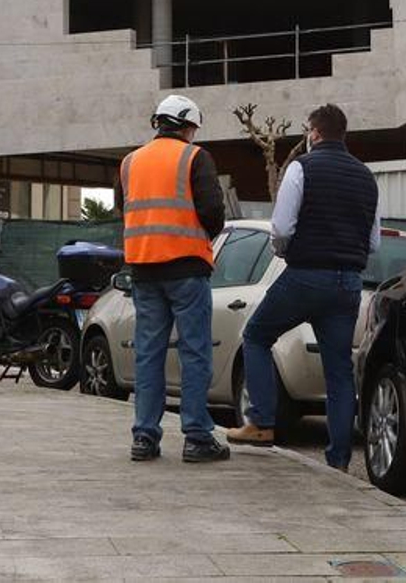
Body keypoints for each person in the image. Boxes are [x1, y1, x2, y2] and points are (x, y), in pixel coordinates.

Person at [227, 103, 380, 470]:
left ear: (314, 133)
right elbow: (373, 242)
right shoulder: (366, 176)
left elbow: (281, 228)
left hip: (306, 274)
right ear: (343, 134)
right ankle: (339, 459)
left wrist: (286, 252)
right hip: (348, 284)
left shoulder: (301, 167)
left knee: (257, 337)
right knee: (339, 370)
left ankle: (261, 422)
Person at [115, 94, 229, 464]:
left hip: (144, 269)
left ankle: (144, 438)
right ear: (186, 125)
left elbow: (125, 209)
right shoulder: (195, 158)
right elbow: (213, 211)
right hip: (186, 269)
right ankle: (196, 436)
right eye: (193, 127)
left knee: (148, 353)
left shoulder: (130, 162)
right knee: (195, 352)